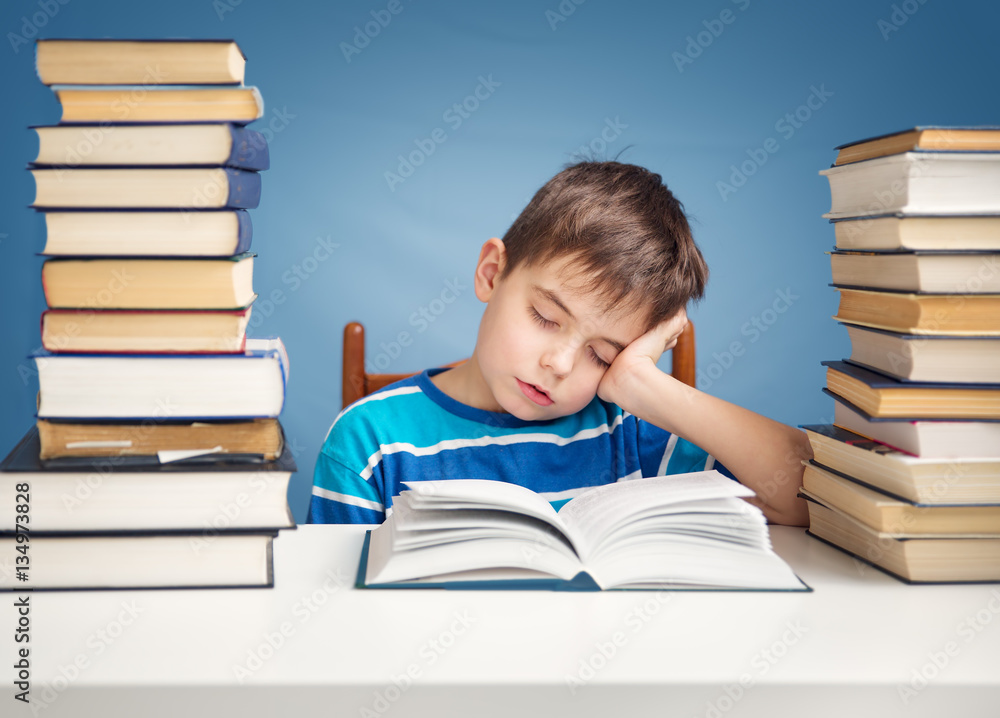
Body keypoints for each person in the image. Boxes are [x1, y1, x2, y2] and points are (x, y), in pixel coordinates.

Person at [307, 161, 811, 526]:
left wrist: (641, 384)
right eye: (545, 317)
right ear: (491, 273)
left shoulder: (630, 434)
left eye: (602, 355)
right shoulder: (369, 443)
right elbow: (338, 617)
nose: (559, 363)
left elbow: (807, 497)